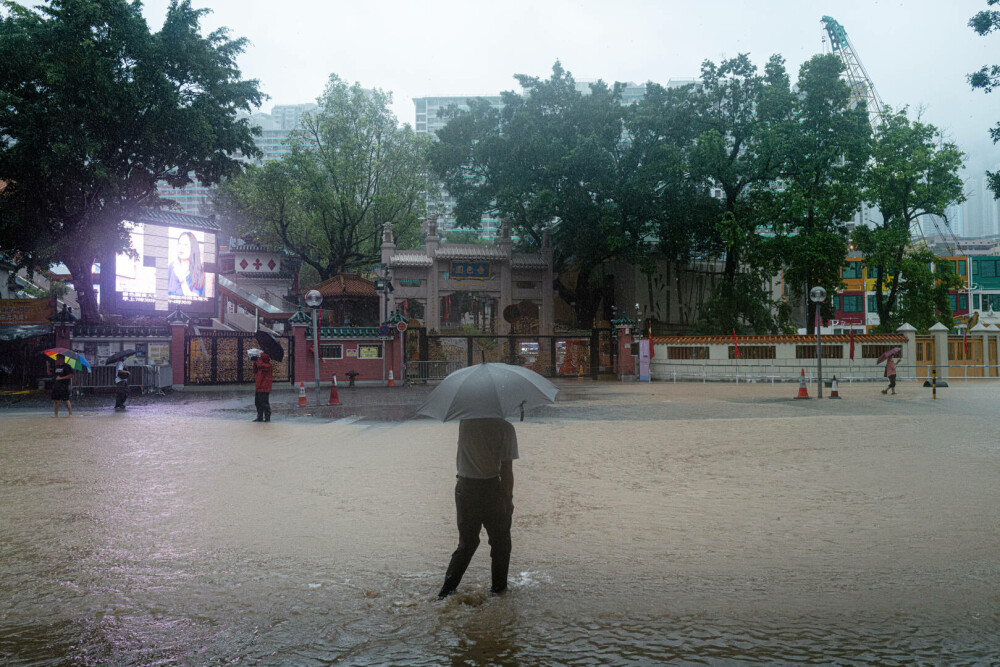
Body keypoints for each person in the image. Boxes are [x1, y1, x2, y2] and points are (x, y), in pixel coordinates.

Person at [438, 417, 518, 599]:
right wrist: (509, 499)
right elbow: (506, 469)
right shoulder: (505, 427)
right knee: (501, 543)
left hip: (465, 488)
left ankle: (445, 593)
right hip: (492, 489)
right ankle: (499, 592)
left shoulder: (465, 423)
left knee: (467, 543)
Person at [167, 231, 205, 297]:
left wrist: (181, 279)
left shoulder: (198, 272)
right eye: (179, 244)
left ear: (192, 248)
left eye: (185, 245)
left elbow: (194, 300)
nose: (181, 247)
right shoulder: (172, 266)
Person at [253, 352, 272, 422]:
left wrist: (258, 359)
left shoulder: (268, 366)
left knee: (264, 403)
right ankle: (259, 416)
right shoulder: (260, 364)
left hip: (264, 387)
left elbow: (261, 365)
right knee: (257, 402)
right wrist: (255, 362)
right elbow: (255, 371)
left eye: (261, 357)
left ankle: (267, 417)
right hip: (258, 387)